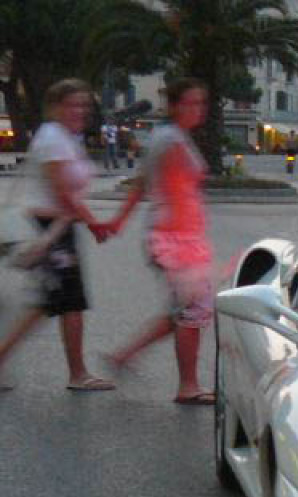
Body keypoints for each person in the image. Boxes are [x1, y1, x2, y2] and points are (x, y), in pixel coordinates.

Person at [103, 78, 216, 404]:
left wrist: (119, 221)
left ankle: (124, 356)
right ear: (175, 105)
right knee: (193, 310)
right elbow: (166, 189)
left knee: (183, 310)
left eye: (201, 103)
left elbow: (142, 184)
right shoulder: (171, 141)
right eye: (191, 103)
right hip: (175, 240)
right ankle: (188, 386)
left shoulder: (169, 137)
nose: (198, 110)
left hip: (176, 236)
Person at [0, 78, 115, 392]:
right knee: (61, 301)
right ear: (54, 107)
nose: (80, 110)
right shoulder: (53, 139)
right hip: (49, 229)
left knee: (60, 302)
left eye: (84, 104)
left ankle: (77, 372)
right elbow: (63, 193)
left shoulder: (65, 137)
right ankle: (77, 374)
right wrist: (94, 224)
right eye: (72, 104)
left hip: (59, 229)